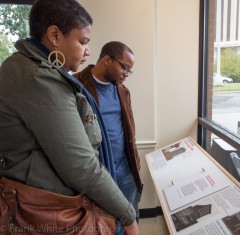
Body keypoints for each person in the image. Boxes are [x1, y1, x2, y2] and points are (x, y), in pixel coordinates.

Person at [0, 0, 139, 234]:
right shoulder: (39, 79)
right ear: (54, 35)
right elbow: (81, 166)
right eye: (83, 42)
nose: (87, 51)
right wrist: (128, 216)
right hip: (46, 211)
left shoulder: (24, 67)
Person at [73, 41, 143, 234]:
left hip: (127, 172)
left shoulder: (122, 91)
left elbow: (129, 132)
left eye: (130, 71)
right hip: (98, 174)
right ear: (107, 59)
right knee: (104, 226)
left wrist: (135, 164)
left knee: (131, 220)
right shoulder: (75, 86)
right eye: (125, 68)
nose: (126, 74)